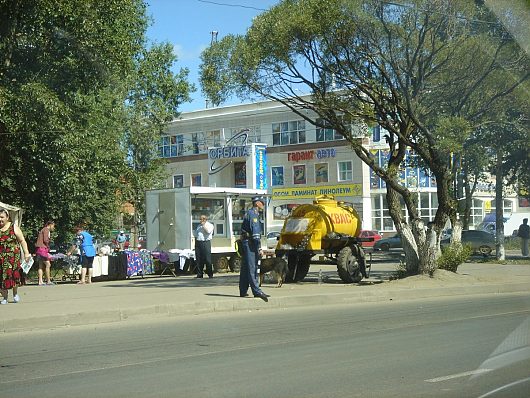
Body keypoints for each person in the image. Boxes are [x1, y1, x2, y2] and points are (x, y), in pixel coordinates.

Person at [239, 196, 269, 302]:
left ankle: (243, 290)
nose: (263, 204)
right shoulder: (254, 215)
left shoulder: (249, 213)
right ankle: (256, 291)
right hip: (250, 244)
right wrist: (259, 248)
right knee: (252, 267)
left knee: (245, 267)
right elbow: (256, 234)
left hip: (246, 242)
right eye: (262, 202)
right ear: (257, 203)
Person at [0, 207, 31, 304]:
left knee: (14, 276)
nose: (0, 219)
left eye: (2, 217)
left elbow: (22, 241)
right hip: (1, 257)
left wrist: (26, 253)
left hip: (13, 257)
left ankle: (15, 293)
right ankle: (5, 297)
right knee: (2, 277)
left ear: (7, 217)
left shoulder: (13, 227)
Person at [35, 220, 56, 285]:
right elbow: (46, 240)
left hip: (38, 249)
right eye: (53, 226)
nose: (53, 227)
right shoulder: (46, 230)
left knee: (40, 265)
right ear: (50, 225)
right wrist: (48, 246)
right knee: (48, 264)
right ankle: (48, 281)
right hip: (42, 249)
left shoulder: (43, 229)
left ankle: (40, 281)